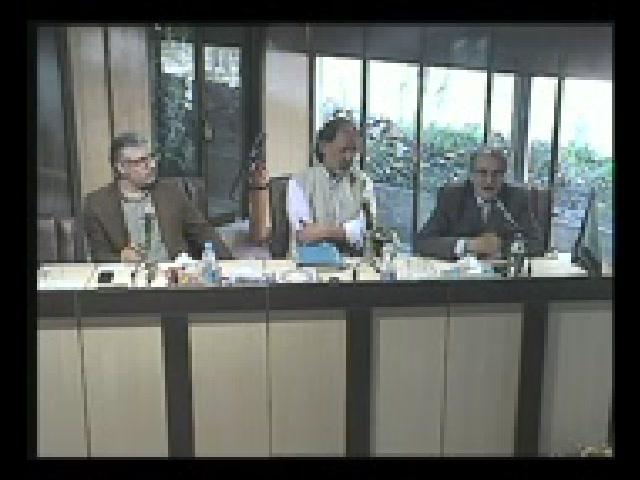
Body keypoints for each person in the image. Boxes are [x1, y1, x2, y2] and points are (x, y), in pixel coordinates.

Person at [84, 132, 232, 263]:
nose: (152, 165)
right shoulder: (97, 204)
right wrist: (120, 259)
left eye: (151, 158)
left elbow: (204, 232)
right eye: (142, 161)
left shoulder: (171, 192)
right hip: (130, 278)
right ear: (121, 167)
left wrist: (231, 266)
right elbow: (99, 255)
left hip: (174, 275)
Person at [415, 147, 543, 260]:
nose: (489, 181)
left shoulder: (517, 198)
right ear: (471, 176)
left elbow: (537, 243)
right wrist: (469, 245)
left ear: (504, 176)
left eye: (496, 174)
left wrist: (501, 247)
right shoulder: (452, 197)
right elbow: (422, 242)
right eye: (482, 172)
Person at [287, 117, 376, 255]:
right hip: (311, 262)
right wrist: (347, 232)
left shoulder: (363, 182)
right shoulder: (299, 182)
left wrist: (323, 231)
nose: (349, 157)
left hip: (355, 261)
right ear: (323, 147)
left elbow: (366, 230)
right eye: (343, 150)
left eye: (353, 151)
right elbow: (305, 235)